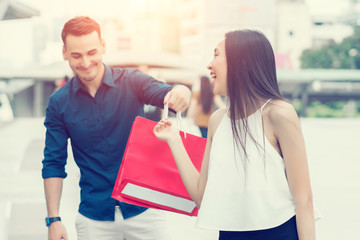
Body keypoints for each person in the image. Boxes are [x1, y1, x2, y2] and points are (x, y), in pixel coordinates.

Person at [154, 29, 318, 240]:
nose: (209, 65)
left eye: (216, 54)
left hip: (280, 233)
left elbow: (304, 199)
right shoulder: (217, 120)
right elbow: (202, 197)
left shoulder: (279, 113)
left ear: (241, 61)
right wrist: (173, 139)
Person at [42, 16, 191, 240]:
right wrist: (54, 220)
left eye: (91, 52)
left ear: (103, 46)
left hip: (144, 211)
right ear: (64, 53)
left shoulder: (131, 81)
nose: (85, 62)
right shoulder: (58, 103)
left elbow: (168, 92)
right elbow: (53, 163)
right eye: (76, 55)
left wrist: (181, 92)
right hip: (94, 218)